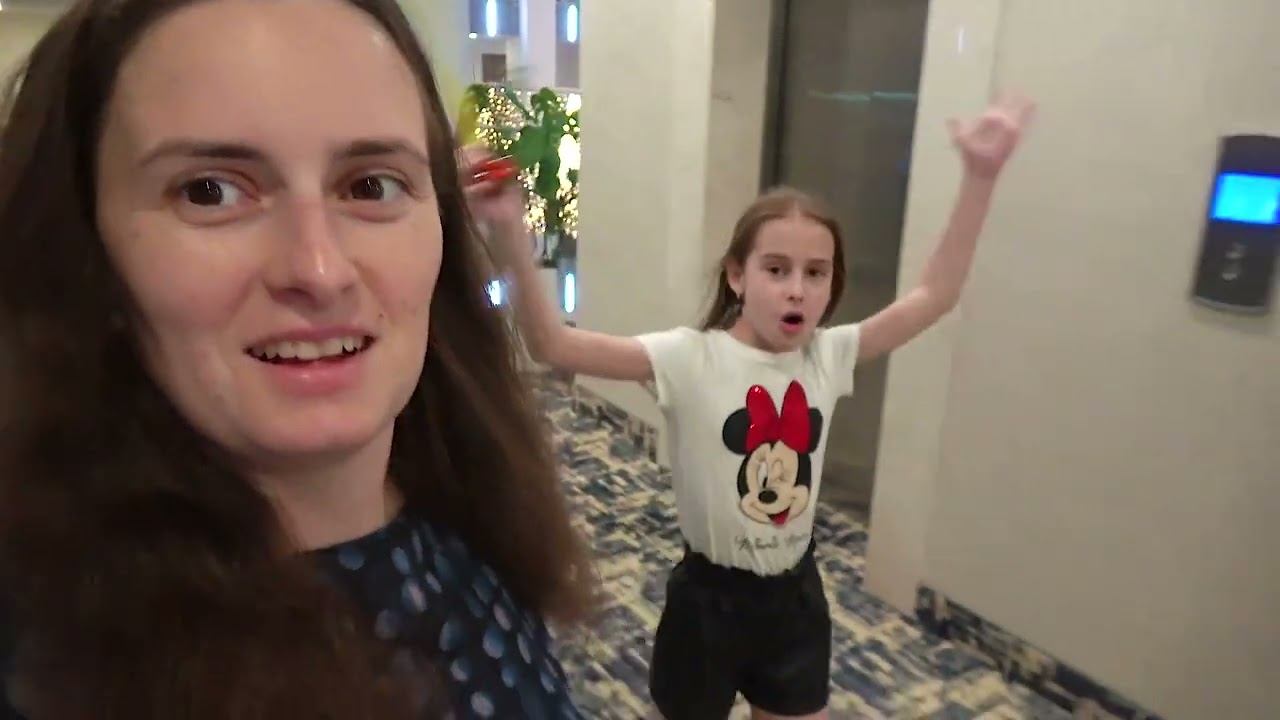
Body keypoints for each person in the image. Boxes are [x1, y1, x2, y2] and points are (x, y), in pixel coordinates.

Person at [0, 0, 595, 718]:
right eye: (210, 191)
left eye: (372, 185)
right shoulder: (51, 660)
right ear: (87, 252)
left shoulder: (475, 501)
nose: (319, 270)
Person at [468, 94, 1036, 719]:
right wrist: (509, 231)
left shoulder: (829, 355)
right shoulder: (689, 358)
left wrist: (980, 178)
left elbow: (936, 295)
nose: (798, 290)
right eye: (777, 269)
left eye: (816, 273)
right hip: (706, 605)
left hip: (794, 602)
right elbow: (553, 345)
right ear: (738, 276)